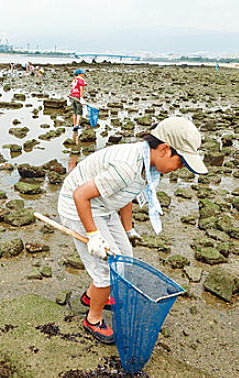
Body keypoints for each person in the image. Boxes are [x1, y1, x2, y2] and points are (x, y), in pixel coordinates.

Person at [57, 116, 208, 345]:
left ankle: (90, 297)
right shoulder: (127, 166)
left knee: (125, 256)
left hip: (102, 205)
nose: (179, 169)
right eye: (181, 162)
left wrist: (128, 229)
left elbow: (124, 196)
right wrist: (94, 236)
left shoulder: (146, 164)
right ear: (165, 149)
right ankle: (93, 319)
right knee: (107, 267)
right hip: (78, 206)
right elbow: (80, 195)